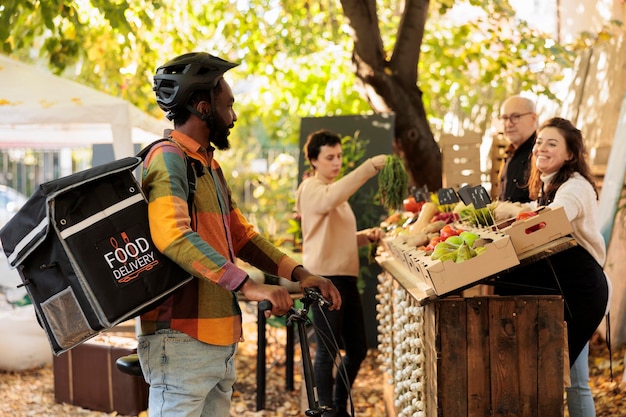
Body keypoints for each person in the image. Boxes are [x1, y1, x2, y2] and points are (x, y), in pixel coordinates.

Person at [137, 52, 342, 417]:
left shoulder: (208, 166)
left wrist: (300, 273)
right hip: (181, 340)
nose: (233, 116)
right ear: (203, 108)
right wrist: (248, 285)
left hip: (219, 343)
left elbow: (243, 236)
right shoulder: (167, 157)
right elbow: (172, 235)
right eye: (228, 105)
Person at [494, 117, 609, 417]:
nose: (541, 148)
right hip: (568, 288)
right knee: (577, 383)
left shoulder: (574, 188)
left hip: (580, 292)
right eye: (539, 142)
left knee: (552, 379)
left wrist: (513, 223)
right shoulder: (553, 185)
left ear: (571, 154)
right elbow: (539, 211)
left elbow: (553, 219)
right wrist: (510, 211)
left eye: (552, 143)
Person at [295, 129, 387, 417]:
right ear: (313, 160)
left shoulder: (333, 193)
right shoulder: (312, 189)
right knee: (326, 352)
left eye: (339, 157)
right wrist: (369, 167)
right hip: (323, 280)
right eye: (330, 157)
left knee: (357, 348)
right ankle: (328, 411)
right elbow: (328, 200)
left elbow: (337, 235)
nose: (336, 162)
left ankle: (337, 404)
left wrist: (364, 237)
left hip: (345, 280)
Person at [497, 95, 538, 203]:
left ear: (533, 118)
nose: (508, 124)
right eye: (505, 118)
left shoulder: (541, 153)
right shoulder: (510, 152)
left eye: (515, 117)